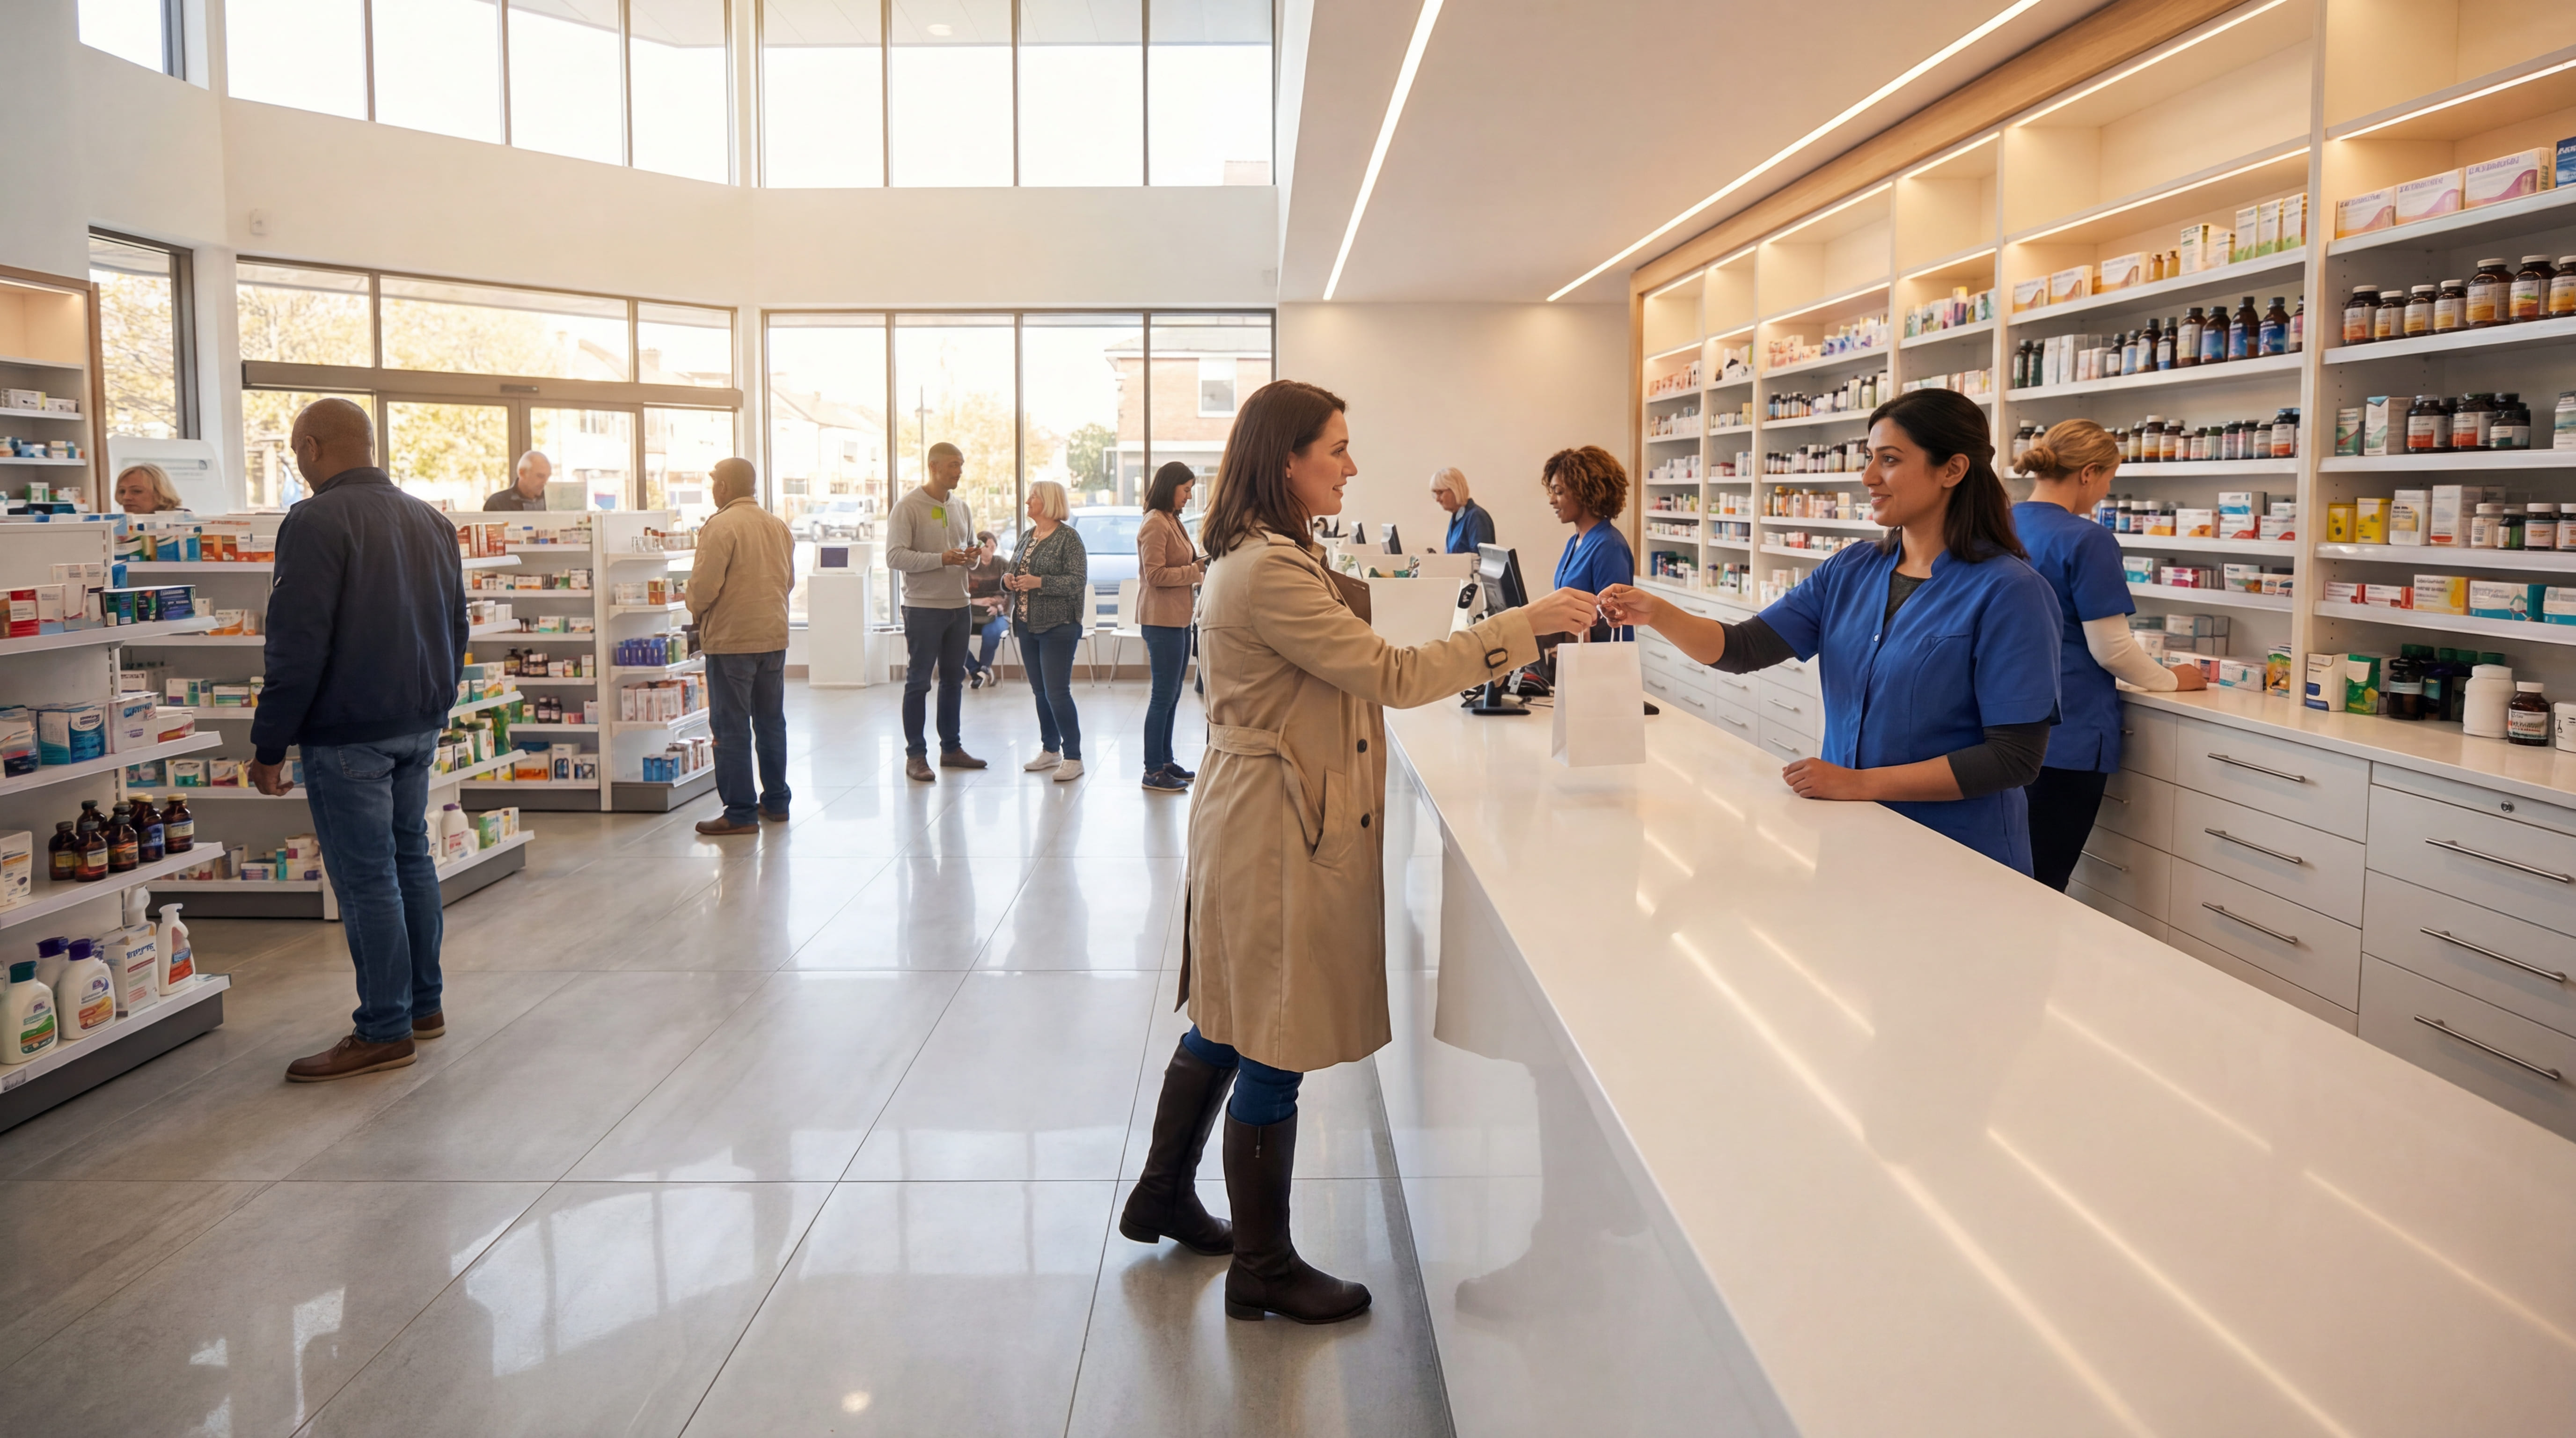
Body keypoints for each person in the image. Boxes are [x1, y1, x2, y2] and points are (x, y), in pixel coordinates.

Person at [1114, 380, 1597, 1325]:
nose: (1351, 464)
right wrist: (1520, 628)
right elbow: (1393, 675)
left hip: (1254, 809)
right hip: (1273, 824)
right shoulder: (1269, 571)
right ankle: (1261, 1266)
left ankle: (1163, 1194)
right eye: (1336, 447)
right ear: (1286, 459)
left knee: (1227, 1012)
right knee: (1272, 1037)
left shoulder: (1266, 557)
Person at [1597, 389, 2063, 874]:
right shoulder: (1851, 570)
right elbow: (1744, 648)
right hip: (1851, 839)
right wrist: (1656, 612)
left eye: (1888, 460)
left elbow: (2012, 758)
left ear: (1952, 470)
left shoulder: (2011, 592)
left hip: (1960, 858)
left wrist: (1860, 784)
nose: (1867, 478)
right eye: (1869, 458)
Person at [248, 398, 468, 1082]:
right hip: (417, 720)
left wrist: (268, 743)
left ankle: (382, 1028)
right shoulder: (430, 518)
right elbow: (454, 625)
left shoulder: (314, 520)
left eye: (293, 450)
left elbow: (297, 642)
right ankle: (421, 1008)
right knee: (410, 861)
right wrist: (437, 703)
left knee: (367, 877)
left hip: (349, 731)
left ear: (311, 446)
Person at [2011, 419, 2205, 891]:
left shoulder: (2000, 522)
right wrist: (2173, 679)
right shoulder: (2085, 538)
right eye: (2108, 480)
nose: (2103, 493)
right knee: (2040, 883)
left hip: (1996, 726)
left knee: (1999, 873)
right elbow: (2111, 647)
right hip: (2064, 735)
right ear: (2088, 472)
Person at [686, 457, 798, 836]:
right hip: (774, 637)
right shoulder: (777, 526)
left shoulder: (720, 526)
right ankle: (777, 802)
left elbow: (703, 589)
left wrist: (695, 611)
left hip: (732, 640)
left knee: (731, 727)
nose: (713, 490)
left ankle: (739, 812)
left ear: (724, 487)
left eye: (714, 483)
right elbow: (788, 582)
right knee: (770, 722)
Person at [886, 441, 986, 782]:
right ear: (934, 466)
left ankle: (952, 749)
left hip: (960, 606)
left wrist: (971, 555)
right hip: (923, 609)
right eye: (953, 465)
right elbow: (895, 557)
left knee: (954, 681)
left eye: (961, 465)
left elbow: (967, 551)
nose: (959, 471)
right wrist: (941, 559)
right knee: (918, 682)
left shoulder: (962, 507)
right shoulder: (908, 506)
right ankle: (916, 756)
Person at [1004, 480, 1089, 783]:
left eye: (1034, 497)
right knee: (1040, 691)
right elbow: (1014, 571)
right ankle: (1050, 750)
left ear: (1050, 502)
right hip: (1027, 624)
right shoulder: (1028, 536)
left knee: (1057, 692)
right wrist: (1008, 580)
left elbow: (1077, 581)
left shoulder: (1069, 539)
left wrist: (1039, 582)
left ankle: (1074, 757)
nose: (1028, 501)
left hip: (1060, 626)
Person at [1136, 461, 1206, 792]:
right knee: (1163, 696)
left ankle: (1165, 761)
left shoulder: (1171, 520)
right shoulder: (1155, 523)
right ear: (1170, 487)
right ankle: (1153, 770)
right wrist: (1195, 572)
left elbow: (1182, 563)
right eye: (1186, 490)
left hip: (1178, 618)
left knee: (1173, 694)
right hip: (1160, 620)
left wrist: (1199, 564)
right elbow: (1156, 575)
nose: (1189, 497)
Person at [1544, 447, 1636, 639]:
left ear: (1583, 493)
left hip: (1600, 662)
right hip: (1574, 653)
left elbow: (1613, 620)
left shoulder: (1609, 546)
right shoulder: (1575, 542)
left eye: (1559, 492)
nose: (1552, 500)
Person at [964, 529, 1010, 690]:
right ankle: (977, 671)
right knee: (953, 636)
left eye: (993, 546)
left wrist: (998, 606)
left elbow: (1011, 592)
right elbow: (960, 593)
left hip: (996, 614)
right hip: (971, 613)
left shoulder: (1002, 564)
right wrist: (978, 601)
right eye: (987, 546)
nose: (991, 549)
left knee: (991, 632)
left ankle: (983, 669)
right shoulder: (968, 567)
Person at [1432, 466, 1494, 554]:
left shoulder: (1476, 517)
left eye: (1440, 493)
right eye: (1435, 494)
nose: (1437, 499)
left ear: (1455, 490)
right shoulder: (1457, 517)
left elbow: (1480, 560)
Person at [483, 450, 552, 511]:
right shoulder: (498, 503)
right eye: (540, 476)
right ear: (522, 473)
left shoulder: (553, 502)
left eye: (548, 477)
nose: (545, 482)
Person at [114, 461, 185, 515]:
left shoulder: (183, 521)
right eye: (122, 491)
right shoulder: (121, 525)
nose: (126, 497)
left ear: (160, 493)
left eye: (137, 491)